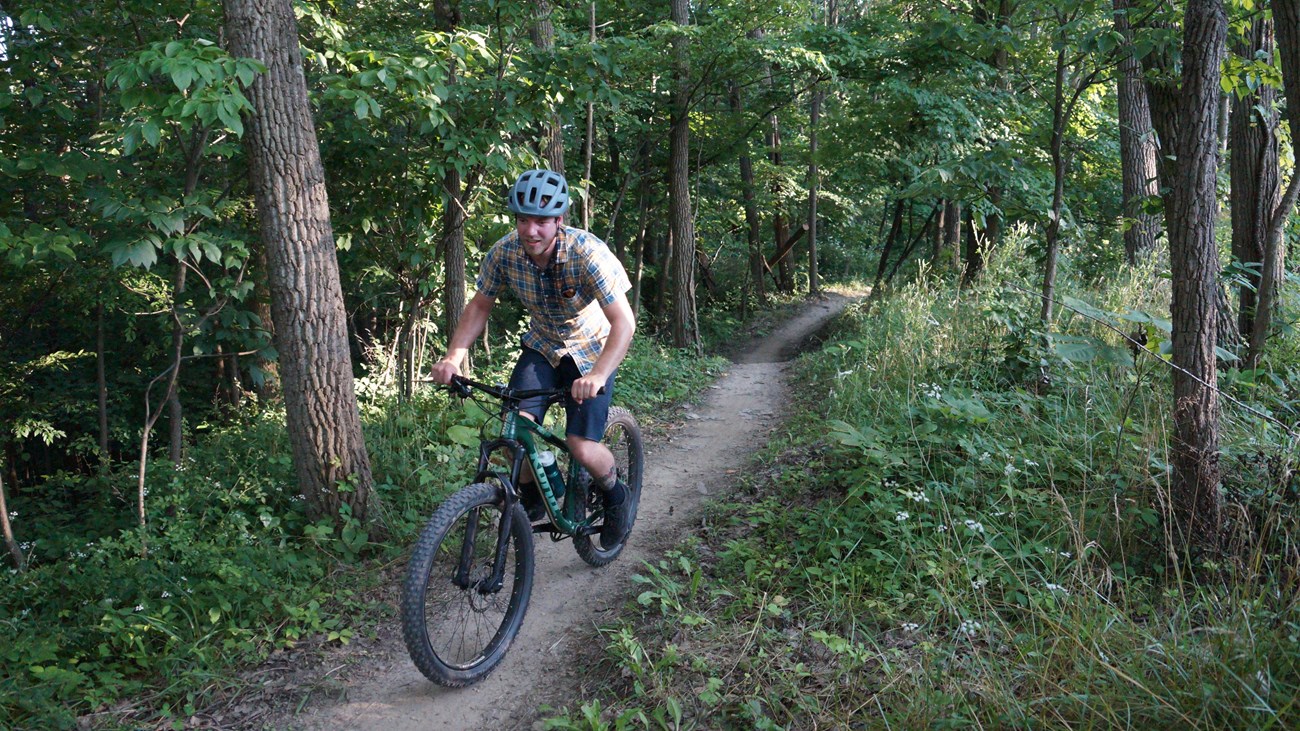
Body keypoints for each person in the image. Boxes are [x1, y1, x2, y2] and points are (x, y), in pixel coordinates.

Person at [429, 169, 637, 549]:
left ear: (559, 221)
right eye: (523, 220)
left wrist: (599, 374)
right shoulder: (504, 253)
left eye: (541, 221)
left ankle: (616, 496)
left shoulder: (587, 253)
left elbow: (623, 322)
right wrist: (453, 357)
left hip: (592, 351)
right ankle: (541, 491)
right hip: (542, 346)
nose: (531, 230)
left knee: (581, 445)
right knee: (513, 431)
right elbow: (479, 306)